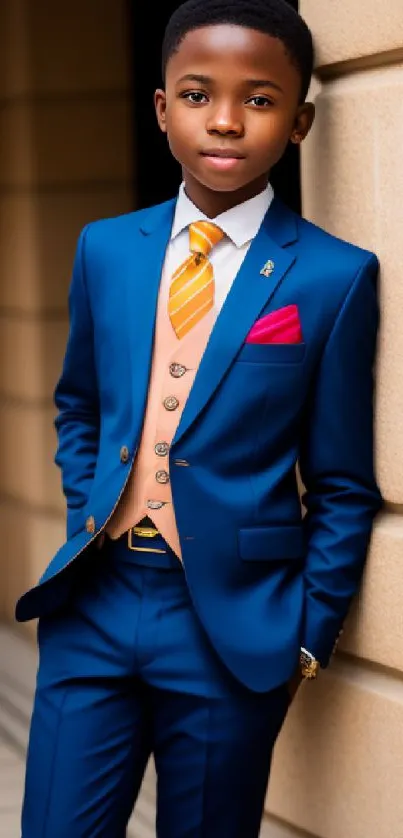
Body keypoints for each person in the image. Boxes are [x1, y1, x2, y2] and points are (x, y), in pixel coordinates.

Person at [17, 0, 382, 835]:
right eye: (196, 94)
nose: (224, 120)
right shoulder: (105, 248)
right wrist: (89, 507)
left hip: (231, 625)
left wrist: (306, 634)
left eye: (258, 99)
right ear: (161, 108)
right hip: (95, 604)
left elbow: (342, 482)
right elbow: (79, 404)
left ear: (300, 121)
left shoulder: (331, 276)